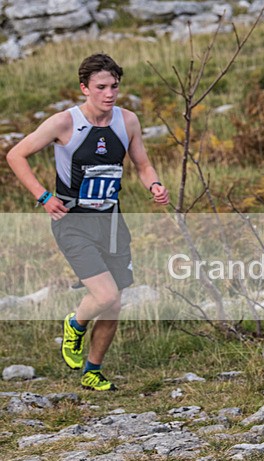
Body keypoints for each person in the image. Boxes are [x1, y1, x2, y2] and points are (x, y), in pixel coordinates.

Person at [7, 54, 169, 391]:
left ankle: (92, 370)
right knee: (104, 293)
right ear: (85, 88)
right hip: (73, 220)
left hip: (111, 221)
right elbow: (15, 155)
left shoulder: (128, 122)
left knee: (114, 304)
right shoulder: (64, 123)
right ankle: (74, 323)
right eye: (101, 87)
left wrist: (154, 185)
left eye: (114, 86)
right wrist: (43, 196)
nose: (109, 94)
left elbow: (142, 165)